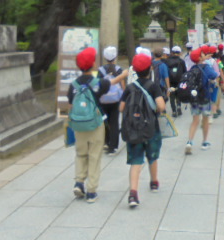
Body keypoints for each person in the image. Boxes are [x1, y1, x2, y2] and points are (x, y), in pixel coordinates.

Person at [68, 47, 122, 203]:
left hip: (79, 125)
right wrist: (124, 74)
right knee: (94, 156)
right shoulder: (97, 83)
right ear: (92, 65)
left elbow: (71, 105)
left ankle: (79, 182)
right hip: (95, 123)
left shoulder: (73, 85)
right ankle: (91, 191)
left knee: (80, 153)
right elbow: (111, 82)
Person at [120, 53, 166, 208]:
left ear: (134, 70)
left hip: (134, 129)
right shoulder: (153, 86)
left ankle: (133, 193)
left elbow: (121, 107)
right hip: (151, 127)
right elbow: (161, 106)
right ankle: (154, 182)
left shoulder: (130, 87)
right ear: (150, 68)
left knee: (136, 161)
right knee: (152, 156)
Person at [184, 47, 218, 154]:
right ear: (200, 57)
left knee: (195, 120)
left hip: (194, 98)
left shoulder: (192, 68)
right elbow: (214, 75)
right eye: (202, 54)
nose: (204, 55)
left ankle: (189, 142)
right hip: (205, 97)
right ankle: (204, 142)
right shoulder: (206, 67)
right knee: (205, 120)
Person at [97, 46, 125, 155]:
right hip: (115, 100)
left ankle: (106, 142)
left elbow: (98, 85)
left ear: (105, 57)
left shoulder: (100, 70)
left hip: (103, 100)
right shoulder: (119, 69)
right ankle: (113, 146)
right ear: (115, 56)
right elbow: (122, 84)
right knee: (114, 122)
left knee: (105, 121)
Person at [164, 45, 186, 117]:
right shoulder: (181, 61)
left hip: (170, 81)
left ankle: (174, 111)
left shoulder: (167, 61)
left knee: (172, 96)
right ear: (179, 53)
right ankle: (179, 106)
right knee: (178, 94)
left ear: (172, 52)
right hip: (179, 80)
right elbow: (185, 72)